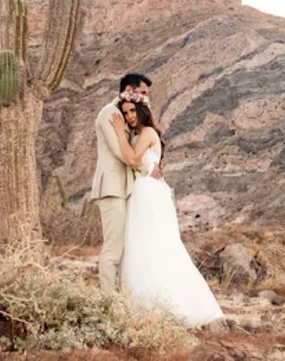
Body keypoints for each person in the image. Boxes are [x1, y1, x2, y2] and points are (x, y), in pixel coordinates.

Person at [111, 97, 224, 327]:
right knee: (147, 244)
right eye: (125, 113)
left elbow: (132, 159)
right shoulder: (142, 135)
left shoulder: (148, 133)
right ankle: (147, 301)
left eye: (133, 110)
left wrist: (119, 133)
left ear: (142, 109)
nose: (130, 116)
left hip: (148, 194)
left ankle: (163, 303)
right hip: (147, 190)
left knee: (152, 243)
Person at [91, 73, 152, 291]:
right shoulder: (110, 114)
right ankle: (109, 300)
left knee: (125, 248)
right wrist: (147, 168)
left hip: (124, 188)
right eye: (143, 93)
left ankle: (120, 297)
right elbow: (123, 154)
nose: (146, 98)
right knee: (113, 249)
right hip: (111, 188)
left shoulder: (125, 116)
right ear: (129, 89)